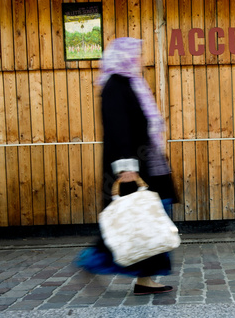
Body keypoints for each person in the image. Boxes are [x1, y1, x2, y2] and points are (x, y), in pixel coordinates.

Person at [76, 37, 178, 296]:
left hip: (149, 162)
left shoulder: (133, 82)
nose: (139, 58)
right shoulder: (115, 86)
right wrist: (126, 169)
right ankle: (92, 260)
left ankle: (145, 279)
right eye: (135, 53)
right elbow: (118, 130)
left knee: (152, 218)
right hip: (132, 165)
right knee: (138, 219)